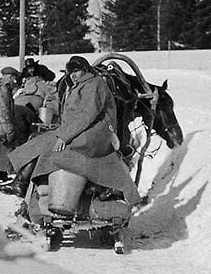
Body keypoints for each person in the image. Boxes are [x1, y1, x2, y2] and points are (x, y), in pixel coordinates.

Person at [9, 56, 141, 206]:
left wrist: (64, 136)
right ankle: (22, 182)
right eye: (70, 73)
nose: (73, 75)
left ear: (85, 69)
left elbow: (86, 115)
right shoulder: (80, 86)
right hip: (86, 130)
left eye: (76, 71)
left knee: (51, 148)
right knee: (40, 139)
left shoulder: (95, 84)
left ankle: (23, 182)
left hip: (97, 133)